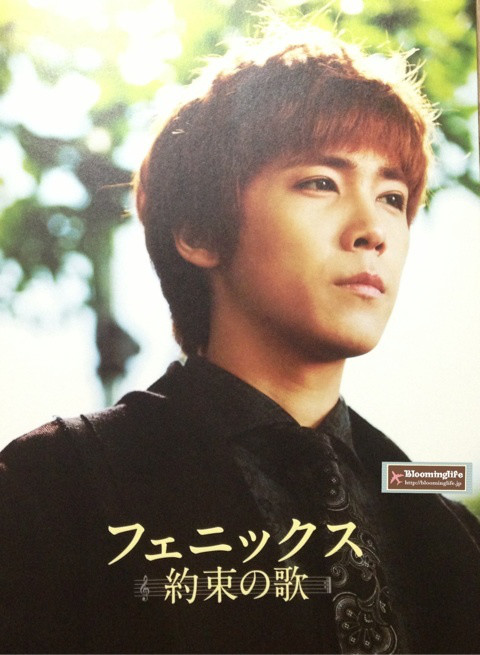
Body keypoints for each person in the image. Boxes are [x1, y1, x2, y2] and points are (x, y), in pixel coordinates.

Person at [1, 23, 480, 655]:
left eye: (392, 196)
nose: (374, 229)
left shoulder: (447, 529)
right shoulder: (55, 486)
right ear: (200, 232)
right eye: (321, 183)